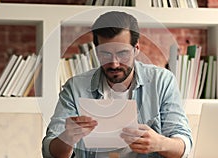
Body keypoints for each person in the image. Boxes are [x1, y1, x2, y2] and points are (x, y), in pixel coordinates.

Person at [42, 11, 192, 158]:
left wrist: (160, 143)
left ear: (136, 49)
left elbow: (183, 145)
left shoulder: (162, 81)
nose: (114, 63)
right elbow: (49, 151)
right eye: (105, 54)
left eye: (122, 53)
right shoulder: (76, 87)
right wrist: (67, 138)